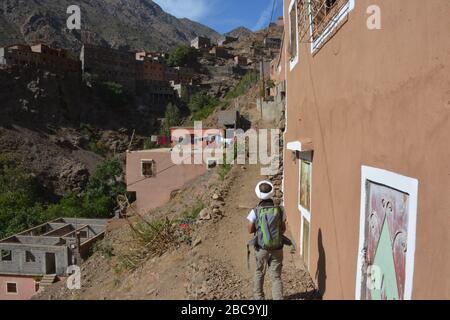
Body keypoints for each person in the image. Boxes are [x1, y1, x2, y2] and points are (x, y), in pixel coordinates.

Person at [247, 180, 286, 300]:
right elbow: (283, 229)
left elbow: (249, 230)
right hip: (277, 248)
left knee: (259, 273)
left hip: (261, 248)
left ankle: (259, 298)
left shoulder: (255, 211)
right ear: (272, 192)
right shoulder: (280, 210)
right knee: (276, 277)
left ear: (258, 193)